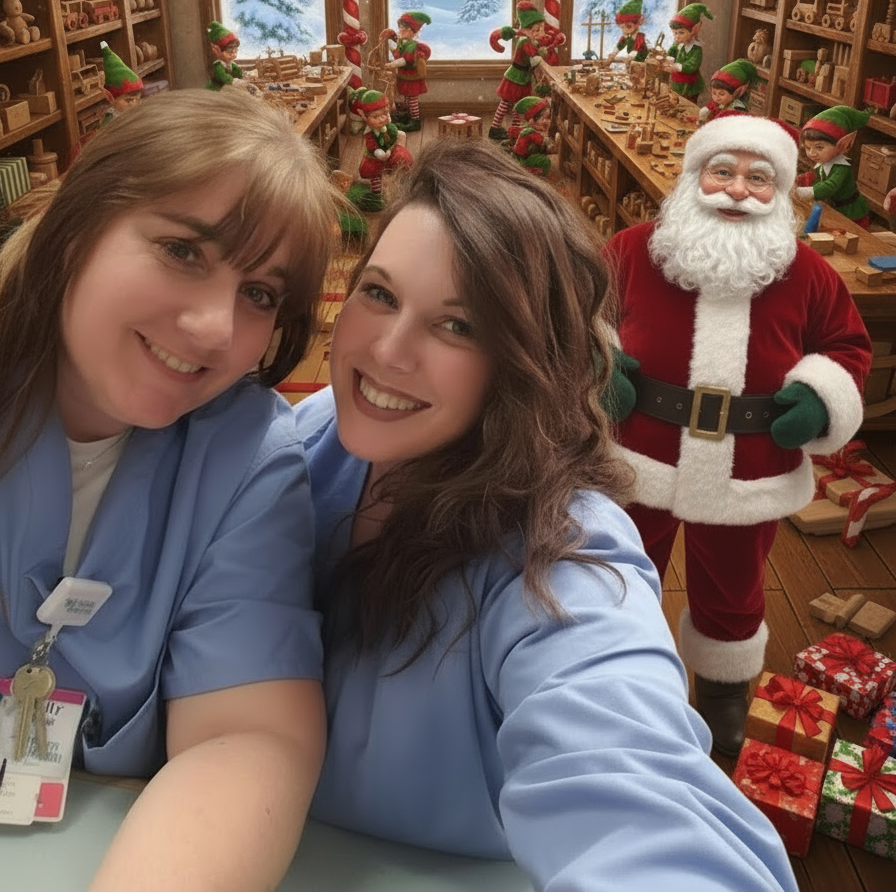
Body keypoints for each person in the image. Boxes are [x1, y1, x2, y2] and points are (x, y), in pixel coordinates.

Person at [294, 139, 801, 892]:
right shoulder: (313, 437)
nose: (387, 352)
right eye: (378, 293)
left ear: (527, 365)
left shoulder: (564, 556)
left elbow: (640, 790)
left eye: (458, 326)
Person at [0, 89, 340, 892]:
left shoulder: (249, 458)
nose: (217, 329)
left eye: (260, 294)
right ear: (81, 223)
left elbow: (246, 738)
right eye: (184, 250)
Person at [603, 115, 871, 757]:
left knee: (734, 579)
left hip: (750, 463)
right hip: (643, 450)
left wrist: (817, 394)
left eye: (757, 178)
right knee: (621, 565)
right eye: (722, 172)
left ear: (779, 191)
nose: (737, 190)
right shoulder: (633, 250)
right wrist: (599, 362)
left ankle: (722, 690)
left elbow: (846, 345)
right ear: (695, 177)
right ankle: (612, 671)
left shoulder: (806, 271)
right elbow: (582, 315)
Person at [795, 105, 871, 229]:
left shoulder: (841, 167)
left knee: (853, 236)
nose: (812, 153)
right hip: (835, 208)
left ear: (841, 145)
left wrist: (801, 192)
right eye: (808, 148)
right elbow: (815, 177)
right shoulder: (824, 161)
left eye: (819, 147)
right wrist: (796, 180)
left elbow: (829, 186)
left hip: (851, 213)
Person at [489, 0, 550, 141]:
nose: (541, 33)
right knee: (506, 103)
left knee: (516, 104)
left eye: (542, 29)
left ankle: (515, 128)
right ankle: (495, 127)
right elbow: (533, 59)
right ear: (528, 30)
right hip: (516, 77)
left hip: (522, 78)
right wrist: (540, 56)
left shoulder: (529, 41)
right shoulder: (525, 42)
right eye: (537, 30)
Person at [351, 86, 414, 204]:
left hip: (391, 150)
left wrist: (391, 146)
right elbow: (370, 144)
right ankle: (376, 194)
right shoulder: (369, 132)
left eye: (383, 115)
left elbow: (395, 134)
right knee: (373, 171)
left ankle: (403, 188)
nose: (380, 119)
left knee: (402, 160)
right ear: (365, 117)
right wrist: (377, 151)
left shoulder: (389, 127)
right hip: (375, 156)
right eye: (375, 117)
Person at [380, 10, 432, 132]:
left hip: (412, 77)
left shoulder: (412, 45)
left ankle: (415, 120)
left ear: (413, 31)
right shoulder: (402, 43)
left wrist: (392, 65)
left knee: (412, 99)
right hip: (405, 76)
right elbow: (398, 54)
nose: (401, 30)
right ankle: (409, 115)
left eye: (406, 28)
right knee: (407, 98)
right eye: (400, 27)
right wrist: (390, 43)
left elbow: (405, 60)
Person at [663, 2, 713, 101]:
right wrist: (666, 59)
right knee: (675, 99)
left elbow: (693, 65)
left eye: (681, 32)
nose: (677, 36)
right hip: (677, 82)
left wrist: (677, 66)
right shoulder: (677, 44)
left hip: (690, 85)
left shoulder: (696, 49)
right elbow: (671, 53)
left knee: (687, 103)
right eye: (675, 33)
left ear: (693, 30)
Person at [698, 58, 758, 124]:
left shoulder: (737, 109)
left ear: (735, 93)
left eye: (722, 94)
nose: (716, 97)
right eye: (714, 93)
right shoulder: (719, 104)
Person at [509, 94, 554, 176]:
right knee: (545, 161)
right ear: (531, 121)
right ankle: (529, 172)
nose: (545, 121)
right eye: (542, 118)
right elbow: (543, 143)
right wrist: (552, 144)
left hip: (522, 156)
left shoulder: (528, 129)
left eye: (548, 118)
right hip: (522, 160)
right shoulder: (530, 132)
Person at [607, 0, 648, 64]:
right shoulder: (627, 37)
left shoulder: (639, 37)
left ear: (637, 24)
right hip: (632, 61)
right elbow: (620, 46)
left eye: (628, 26)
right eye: (622, 27)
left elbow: (636, 50)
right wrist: (613, 54)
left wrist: (630, 57)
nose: (625, 29)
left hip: (641, 61)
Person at [205, 20, 245, 91]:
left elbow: (238, 73)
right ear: (218, 50)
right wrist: (234, 81)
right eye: (229, 48)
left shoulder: (231, 64)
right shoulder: (218, 65)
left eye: (235, 48)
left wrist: (243, 76)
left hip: (228, 88)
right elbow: (223, 77)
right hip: (216, 90)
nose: (233, 51)